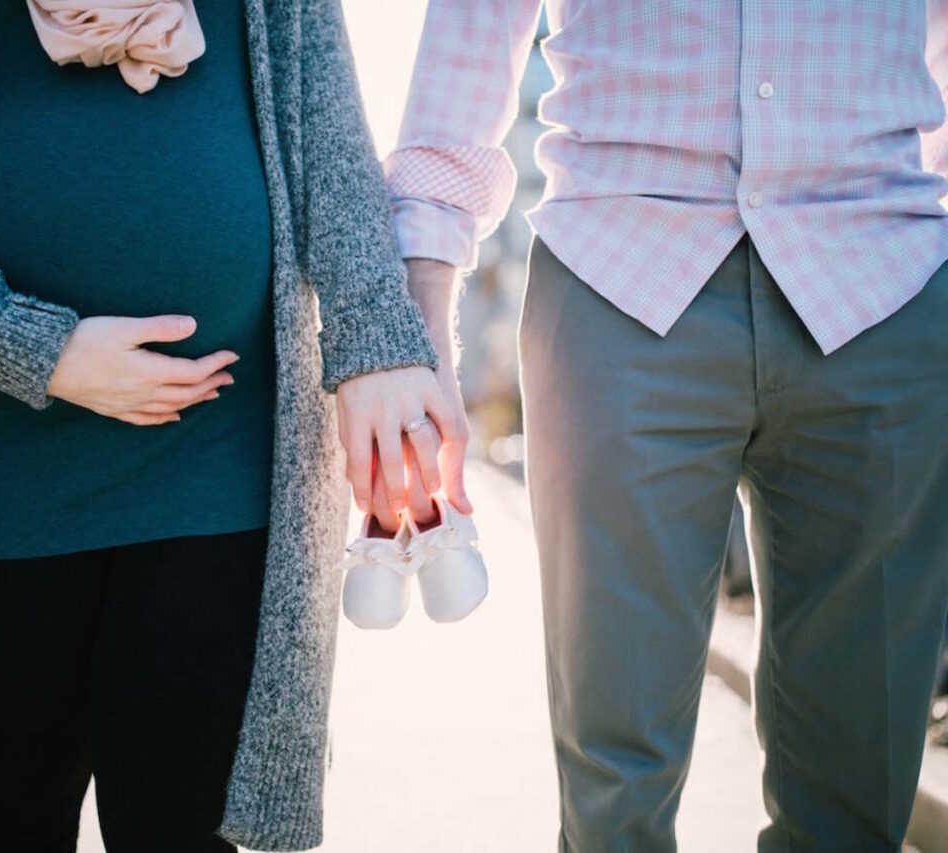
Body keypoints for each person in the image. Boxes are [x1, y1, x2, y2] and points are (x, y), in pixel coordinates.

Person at [385, 1, 948, 850]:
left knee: (859, 791)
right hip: (621, 268)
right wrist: (421, 304)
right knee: (615, 793)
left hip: (883, 271)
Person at [0, 0, 462, 850]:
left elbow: (324, 117)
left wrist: (377, 341)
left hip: (216, 459)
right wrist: (34, 346)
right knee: (10, 818)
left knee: (183, 825)